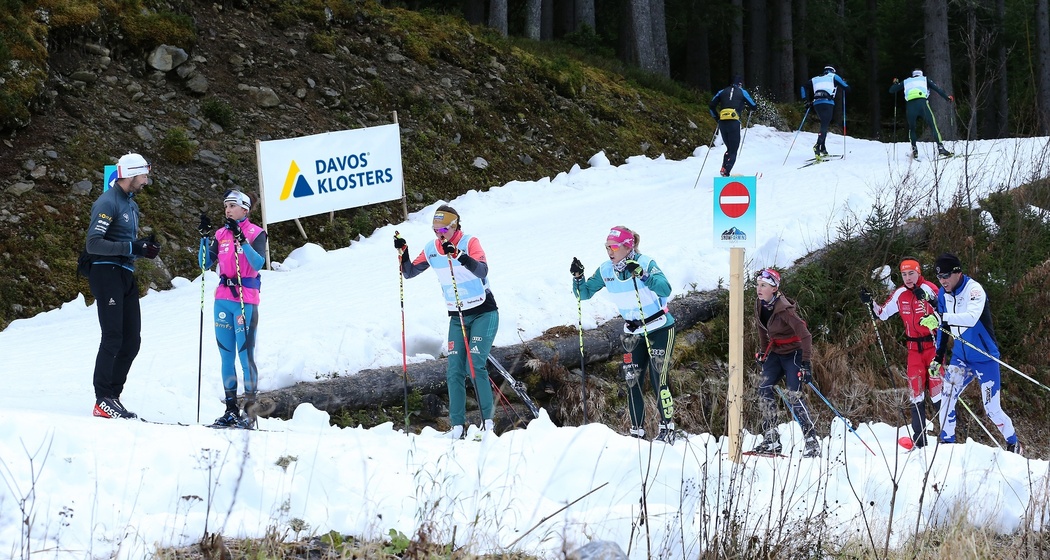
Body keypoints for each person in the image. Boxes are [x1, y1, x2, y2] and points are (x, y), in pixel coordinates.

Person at [397, 205, 499, 439]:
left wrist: (459, 255)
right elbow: (410, 272)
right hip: (457, 316)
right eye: (435, 229)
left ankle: (488, 423)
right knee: (453, 369)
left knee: (475, 365)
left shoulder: (469, 242)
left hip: (484, 311)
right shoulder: (432, 249)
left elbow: (482, 271)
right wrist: (403, 254)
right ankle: (456, 427)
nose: (438, 233)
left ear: (454, 226)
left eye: (443, 228)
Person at [571, 226, 677, 443]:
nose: (609, 251)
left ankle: (667, 427)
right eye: (607, 247)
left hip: (659, 327)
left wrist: (643, 274)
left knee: (658, 379)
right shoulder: (606, 270)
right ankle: (637, 431)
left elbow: (665, 289)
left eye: (614, 247)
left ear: (628, 247)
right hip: (632, 331)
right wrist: (578, 277)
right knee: (632, 380)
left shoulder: (645, 262)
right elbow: (584, 294)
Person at [84, 152, 161, 419]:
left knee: (132, 340)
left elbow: (128, 244)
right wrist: (132, 247)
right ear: (130, 174)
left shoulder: (131, 205)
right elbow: (93, 243)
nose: (146, 181)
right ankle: (102, 397)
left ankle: (112, 396)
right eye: (144, 176)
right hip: (106, 272)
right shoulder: (108, 201)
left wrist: (144, 249)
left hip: (125, 273)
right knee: (113, 335)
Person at [920, 253, 1021, 454]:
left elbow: (971, 318)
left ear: (958, 272)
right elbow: (943, 329)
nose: (943, 281)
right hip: (961, 358)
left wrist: (941, 317)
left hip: (984, 357)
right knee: (947, 395)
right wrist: (938, 357)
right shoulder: (942, 294)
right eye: (939, 277)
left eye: (946, 275)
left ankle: (1013, 442)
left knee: (992, 409)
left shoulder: (974, 290)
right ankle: (947, 444)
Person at [198, 190, 267, 428]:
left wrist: (243, 241)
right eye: (225, 206)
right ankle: (230, 410)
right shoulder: (221, 233)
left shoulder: (256, 232)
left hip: (245, 300)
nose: (227, 210)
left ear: (244, 209)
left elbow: (258, 263)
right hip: (223, 299)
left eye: (232, 206)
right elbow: (205, 264)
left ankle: (250, 413)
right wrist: (204, 239)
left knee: (245, 357)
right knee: (226, 356)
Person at [860, 257, 942, 449]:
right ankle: (920, 441)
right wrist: (870, 302)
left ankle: (949, 438)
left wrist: (933, 308)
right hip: (913, 350)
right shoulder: (900, 294)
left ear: (918, 272)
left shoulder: (929, 288)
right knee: (916, 393)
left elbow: (945, 313)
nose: (908, 278)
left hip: (932, 348)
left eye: (911, 273)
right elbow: (882, 313)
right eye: (904, 274)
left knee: (938, 392)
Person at [752, 268, 820, 457]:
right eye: (758, 285)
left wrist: (806, 363)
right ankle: (771, 437)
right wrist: (763, 352)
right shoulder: (760, 303)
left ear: (774, 288)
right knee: (764, 388)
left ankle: (811, 440)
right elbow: (761, 330)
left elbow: (806, 335)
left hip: (793, 354)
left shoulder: (785, 310)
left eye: (763, 285)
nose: (759, 289)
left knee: (793, 395)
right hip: (775, 353)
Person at [888, 69, 954, 158]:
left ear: (913, 75)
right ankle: (941, 148)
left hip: (910, 106)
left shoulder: (907, 81)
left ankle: (914, 150)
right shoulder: (924, 79)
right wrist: (947, 98)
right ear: (921, 74)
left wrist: (895, 83)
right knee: (933, 126)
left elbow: (892, 90)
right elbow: (937, 89)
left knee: (912, 128)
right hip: (922, 104)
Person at [708, 75, 758, 177]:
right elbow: (753, 106)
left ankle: (724, 168)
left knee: (729, 149)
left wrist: (716, 117)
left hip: (722, 122)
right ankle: (726, 171)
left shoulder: (722, 91)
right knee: (734, 150)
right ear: (740, 84)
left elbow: (711, 105)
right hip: (734, 122)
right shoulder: (742, 92)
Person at [801, 65, 850, 158]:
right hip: (827, 102)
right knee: (824, 124)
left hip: (816, 103)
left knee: (824, 123)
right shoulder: (834, 76)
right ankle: (817, 146)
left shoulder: (815, 78)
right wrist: (844, 83)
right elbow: (847, 88)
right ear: (832, 71)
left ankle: (823, 148)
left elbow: (803, 87)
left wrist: (806, 100)